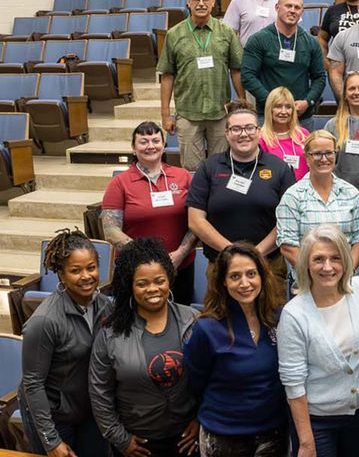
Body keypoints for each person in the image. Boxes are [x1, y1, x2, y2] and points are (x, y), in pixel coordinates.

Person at [277, 225, 359, 457]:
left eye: (335, 258)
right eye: (319, 259)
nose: (327, 267)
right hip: (317, 421)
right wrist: (306, 443)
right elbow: (293, 383)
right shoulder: (294, 314)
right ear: (306, 263)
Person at [89, 238, 200, 457]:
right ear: (130, 286)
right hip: (138, 444)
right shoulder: (111, 331)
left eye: (159, 281)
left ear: (169, 279)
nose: (153, 289)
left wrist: (201, 419)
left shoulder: (194, 321)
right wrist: (121, 439)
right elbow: (99, 392)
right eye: (142, 284)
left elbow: (212, 377)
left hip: (186, 440)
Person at [184, 242, 288, 456]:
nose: (245, 283)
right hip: (224, 433)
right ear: (222, 281)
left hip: (273, 431)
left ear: (262, 276)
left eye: (251, 274)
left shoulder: (279, 318)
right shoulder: (207, 328)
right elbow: (195, 382)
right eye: (235, 276)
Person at [188, 104, 296, 300]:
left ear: (258, 131)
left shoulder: (280, 169)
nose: (243, 134)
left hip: (268, 265)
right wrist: (231, 252)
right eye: (236, 129)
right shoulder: (208, 167)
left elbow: (288, 220)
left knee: (270, 325)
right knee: (221, 326)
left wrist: (256, 253)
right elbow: (195, 220)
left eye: (249, 128)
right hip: (221, 265)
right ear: (227, 134)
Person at [19, 230, 113, 457]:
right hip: (51, 415)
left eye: (91, 267)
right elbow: (33, 384)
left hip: (87, 408)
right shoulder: (44, 321)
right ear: (60, 274)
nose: (86, 276)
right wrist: (51, 441)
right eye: (75, 270)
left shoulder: (104, 305)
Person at [101, 121, 198, 303]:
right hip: (136, 268)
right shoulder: (120, 182)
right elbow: (110, 229)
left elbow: (197, 221)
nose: (150, 146)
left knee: (179, 322)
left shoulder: (182, 176)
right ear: (133, 148)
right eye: (143, 141)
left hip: (180, 266)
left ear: (164, 145)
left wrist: (180, 254)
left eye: (155, 140)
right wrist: (148, 259)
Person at [159, 0, 243, 170]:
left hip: (220, 113)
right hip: (188, 114)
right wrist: (165, 114)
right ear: (188, 2)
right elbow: (167, 75)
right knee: (191, 171)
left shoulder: (227, 33)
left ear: (213, 2)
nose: (201, 4)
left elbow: (236, 69)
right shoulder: (174, 34)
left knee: (222, 168)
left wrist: (241, 101)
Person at [275, 130, 359, 270]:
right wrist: (317, 275)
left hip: (345, 279)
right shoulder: (293, 196)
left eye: (329, 153)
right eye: (317, 154)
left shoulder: (351, 193)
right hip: (307, 280)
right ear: (306, 157)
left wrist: (344, 273)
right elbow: (288, 246)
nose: (324, 159)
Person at [242, 0, 326, 128]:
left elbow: (320, 77)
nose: (292, 11)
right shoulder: (258, 40)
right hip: (268, 115)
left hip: (301, 117)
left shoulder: (311, 42)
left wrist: (308, 101)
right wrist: (272, 102)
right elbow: (247, 76)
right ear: (277, 7)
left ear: (302, 12)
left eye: (297, 8)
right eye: (288, 6)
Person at [259, 87, 310, 178]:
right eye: (278, 106)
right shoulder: (261, 138)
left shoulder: (303, 134)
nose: (284, 112)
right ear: (270, 109)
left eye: (288, 107)